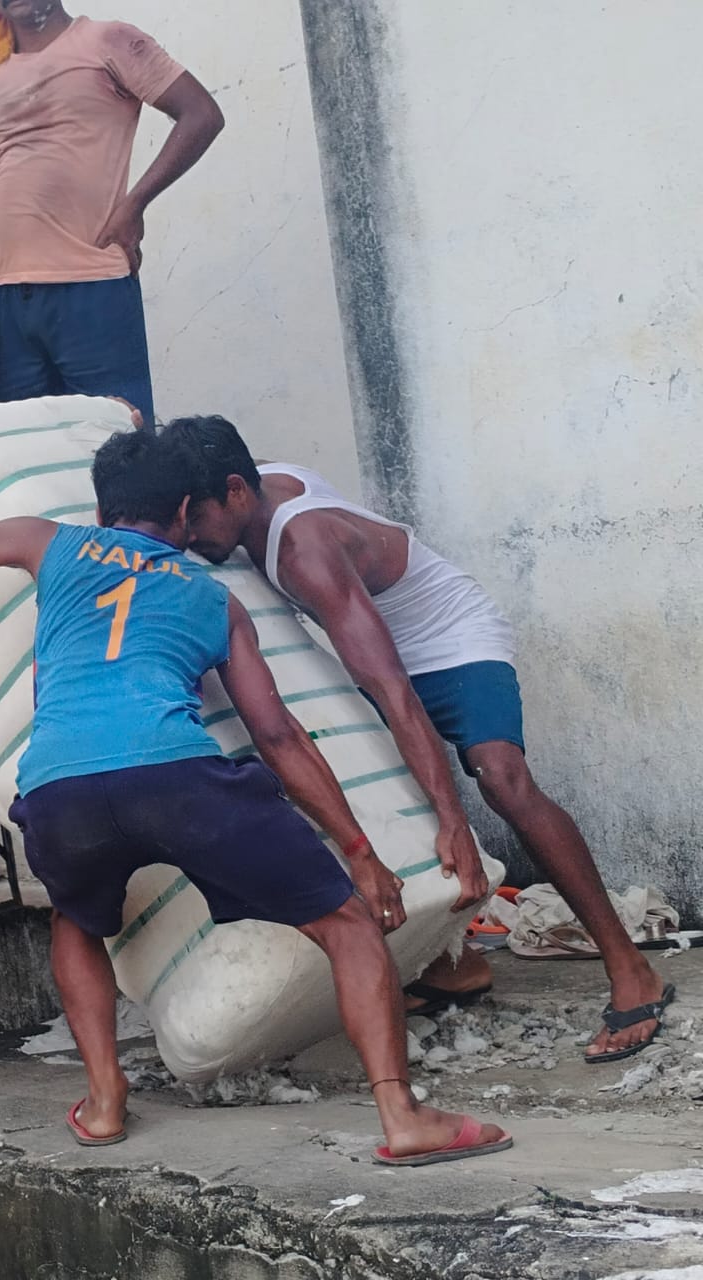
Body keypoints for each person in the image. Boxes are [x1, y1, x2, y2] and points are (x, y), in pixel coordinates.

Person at [0, 404, 511, 1165]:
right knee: (348, 927)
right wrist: (360, 851)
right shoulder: (215, 599)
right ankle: (402, 1116)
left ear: (100, 509)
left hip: (59, 787)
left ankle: (105, 1101)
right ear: (184, 511)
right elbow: (276, 737)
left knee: (77, 921)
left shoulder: (48, 543)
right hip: (178, 778)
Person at [163, 414, 675, 1064]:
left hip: (451, 640)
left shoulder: (303, 551)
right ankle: (455, 968)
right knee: (378, 798)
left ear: (236, 491)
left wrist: (455, 821)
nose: (189, 535)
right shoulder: (245, 478)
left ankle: (630, 968)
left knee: (502, 780)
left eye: (196, 519)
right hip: (384, 655)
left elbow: (396, 691)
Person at [0, 1, 225, 426]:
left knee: (117, 445)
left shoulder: (107, 41)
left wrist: (135, 204)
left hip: (94, 287)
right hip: (13, 304)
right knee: (29, 450)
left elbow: (202, 115)